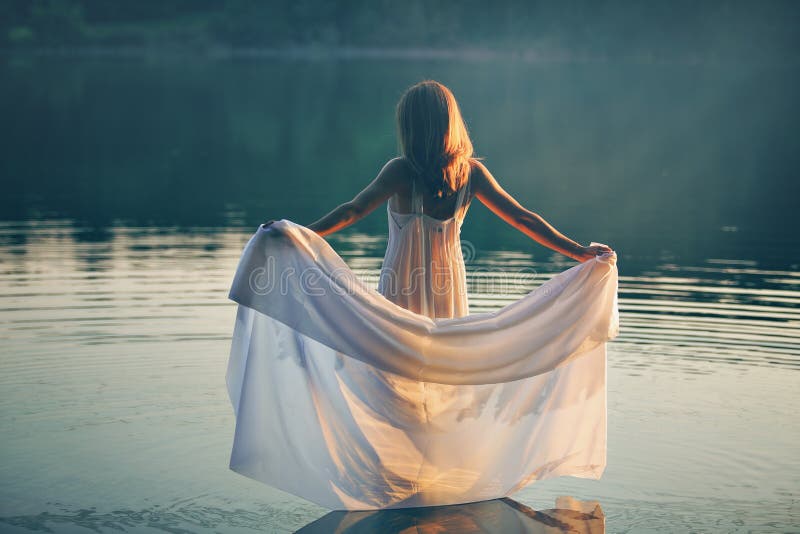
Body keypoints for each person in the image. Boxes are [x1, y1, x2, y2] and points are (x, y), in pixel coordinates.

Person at [269, 79, 612, 319]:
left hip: (402, 282)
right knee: (440, 365)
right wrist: (577, 251)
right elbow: (523, 218)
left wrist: (299, 234)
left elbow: (353, 211)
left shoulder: (401, 170)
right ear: (452, 124)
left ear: (410, 127)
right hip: (447, 283)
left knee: (396, 367)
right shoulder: (470, 174)